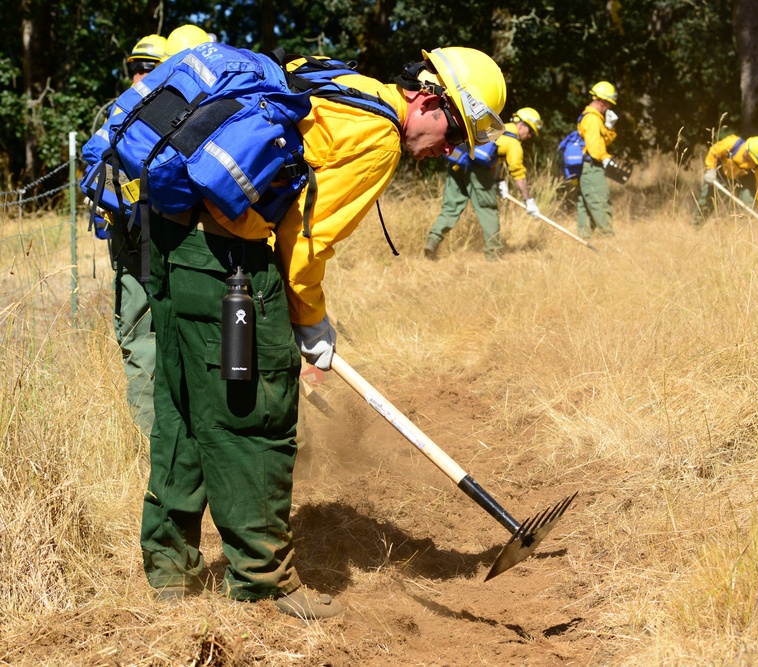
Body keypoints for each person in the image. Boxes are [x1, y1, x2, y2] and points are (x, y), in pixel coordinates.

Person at [134, 46, 506, 619]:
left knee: (183, 407)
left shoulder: (343, 84)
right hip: (229, 262)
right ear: (429, 101)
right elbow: (303, 242)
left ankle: (169, 574)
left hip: (170, 243)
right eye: (454, 131)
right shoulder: (378, 136)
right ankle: (264, 585)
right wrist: (311, 324)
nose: (450, 151)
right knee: (256, 416)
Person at [97, 34, 168, 439]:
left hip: (145, 253)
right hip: (134, 246)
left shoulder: (138, 117)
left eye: (148, 66)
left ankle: (153, 448)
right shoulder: (127, 114)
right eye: (134, 68)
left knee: (140, 339)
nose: (139, 74)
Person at [424, 107, 543, 260]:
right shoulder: (513, 143)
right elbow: (518, 173)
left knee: (450, 208)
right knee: (488, 210)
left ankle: (433, 240)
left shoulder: (493, 129)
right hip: (478, 172)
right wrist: (528, 200)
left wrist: (499, 181)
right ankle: (493, 254)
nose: (530, 136)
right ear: (522, 126)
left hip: (458, 164)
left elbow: (492, 158)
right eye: (531, 132)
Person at [692, 135, 758, 225]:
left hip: (741, 180)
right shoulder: (732, 143)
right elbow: (714, 151)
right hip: (719, 175)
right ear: (747, 151)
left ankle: (741, 233)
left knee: (747, 203)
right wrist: (711, 169)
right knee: (707, 201)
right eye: (754, 159)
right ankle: (695, 228)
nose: (754, 162)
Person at [576, 81, 619, 238]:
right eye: (609, 104)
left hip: (587, 169)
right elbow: (595, 148)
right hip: (593, 168)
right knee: (600, 203)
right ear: (602, 101)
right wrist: (605, 158)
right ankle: (610, 239)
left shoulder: (592, 117)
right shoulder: (593, 119)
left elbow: (603, 142)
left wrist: (610, 127)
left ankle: (584, 241)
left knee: (586, 206)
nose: (609, 107)